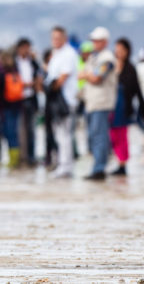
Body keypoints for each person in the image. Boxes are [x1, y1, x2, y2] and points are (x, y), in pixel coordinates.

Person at [78, 27, 117, 181]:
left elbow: (96, 78)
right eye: (93, 40)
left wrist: (87, 75)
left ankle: (100, 168)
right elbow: (87, 75)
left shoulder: (107, 58)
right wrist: (88, 75)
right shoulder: (95, 57)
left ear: (105, 42)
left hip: (102, 102)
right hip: (92, 102)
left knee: (99, 136)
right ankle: (97, 166)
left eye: (97, 40)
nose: (94, 43)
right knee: (93, 136)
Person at [109, 38, 144, 176]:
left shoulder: (130, 68)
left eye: (121, 50)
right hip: (110, 105)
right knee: (112, 136)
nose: (118, 53)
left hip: (123, 107)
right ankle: (118, 161)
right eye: (117, 50)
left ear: (127, 51)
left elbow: (137, 90)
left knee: (121, 136)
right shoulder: (111, 66)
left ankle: (123, 164)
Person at [45, 26, 80, 178]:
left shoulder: (68, 54)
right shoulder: (56, 53)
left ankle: (66, 167)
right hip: (55, 100)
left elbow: (62, 78)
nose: (55, 41)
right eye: (53, 38)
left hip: (66, 100)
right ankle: (63, 164)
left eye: (58, 38)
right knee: (59, 134)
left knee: (65, 135)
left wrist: (50, 87)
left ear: (64, 39)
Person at [15, 38, 43, 166]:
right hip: (17, 99)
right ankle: (21, 156)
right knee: (20, 129)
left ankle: (31, 156)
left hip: (31, 98)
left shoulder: (33, 62)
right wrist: (24, 84)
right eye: (25, 48)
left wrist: (36, 84)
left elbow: (39, 75)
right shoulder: (14, 63)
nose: (27, 51)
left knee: (31, 129)